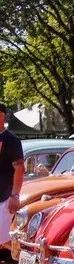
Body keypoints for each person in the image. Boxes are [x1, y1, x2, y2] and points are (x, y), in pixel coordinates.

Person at [0, 103, 24, 247]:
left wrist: (15, 196)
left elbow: (19, 168)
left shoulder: (11, 140)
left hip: (4, 197)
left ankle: (26, 259)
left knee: (4, 239)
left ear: (3, 116)